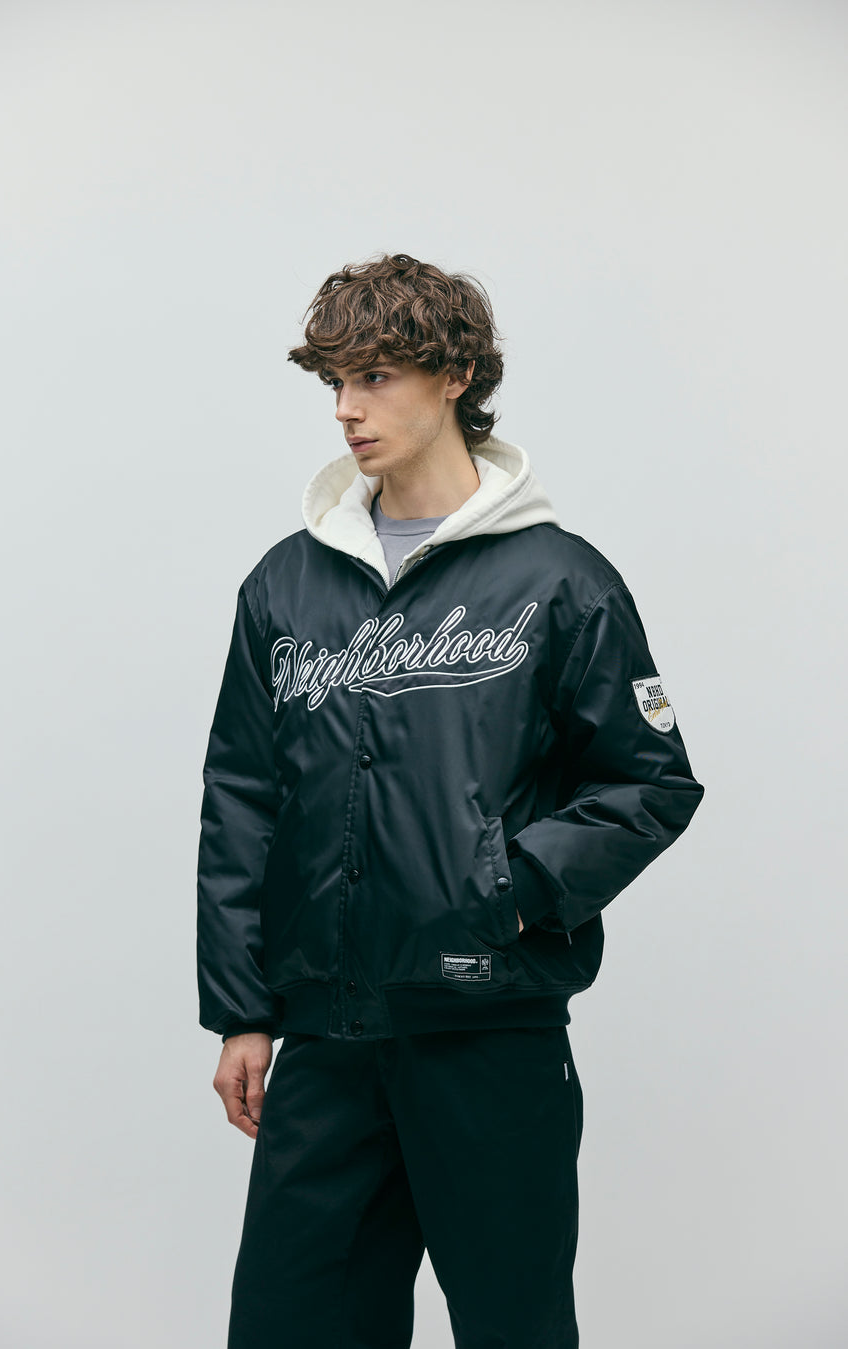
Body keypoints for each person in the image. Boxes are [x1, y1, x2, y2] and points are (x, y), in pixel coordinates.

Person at [196, 252, 704, 1349]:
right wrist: (243, 1008)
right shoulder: (287, 582)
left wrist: (506, 891)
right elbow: (242, 797)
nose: (346, 408)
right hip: (326, 1036)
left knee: (513, 1326)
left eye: (375, 376)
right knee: (294, 1325)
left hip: (490, 1036)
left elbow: (650, 778)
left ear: (457, 374)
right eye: (336, 380)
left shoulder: (560, 581)